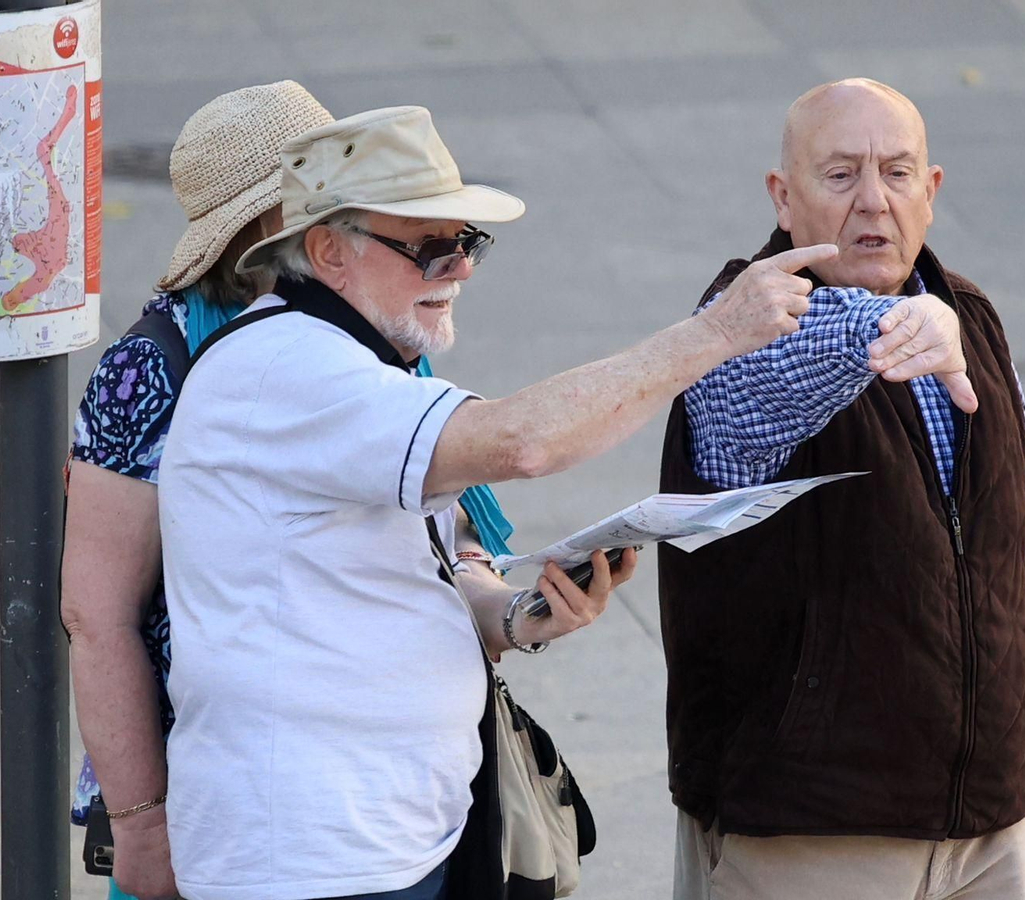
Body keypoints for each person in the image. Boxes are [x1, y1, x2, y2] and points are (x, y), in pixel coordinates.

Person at [154, 104, 941, 900]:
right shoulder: (289, 367)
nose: (459, 270)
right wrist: (714, 333)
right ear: (329, 252)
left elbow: (384, 570)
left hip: (398, 832)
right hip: (313, 856)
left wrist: (516, 612)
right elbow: (523, 442)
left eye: (466, 243)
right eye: (429, 247)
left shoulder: (358, 361)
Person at [658, 78, 1025, 900]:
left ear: (930, 193)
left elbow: (1016, 547)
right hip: (814, 832)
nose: (874, 201)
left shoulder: (968, 315)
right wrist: (891, 322)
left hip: (989, 823)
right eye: (840, 176)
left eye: (897, 174)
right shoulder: (733, 325)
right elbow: (786, 367)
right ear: (782, 199)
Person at [60, 80, 335, 900]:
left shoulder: (370, 321)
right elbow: (96, 613)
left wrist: (508, 605)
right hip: (209, 791)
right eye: (324, 198)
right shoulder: (154, 366)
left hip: (351, 788)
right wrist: (144, 824)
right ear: (264, 228)